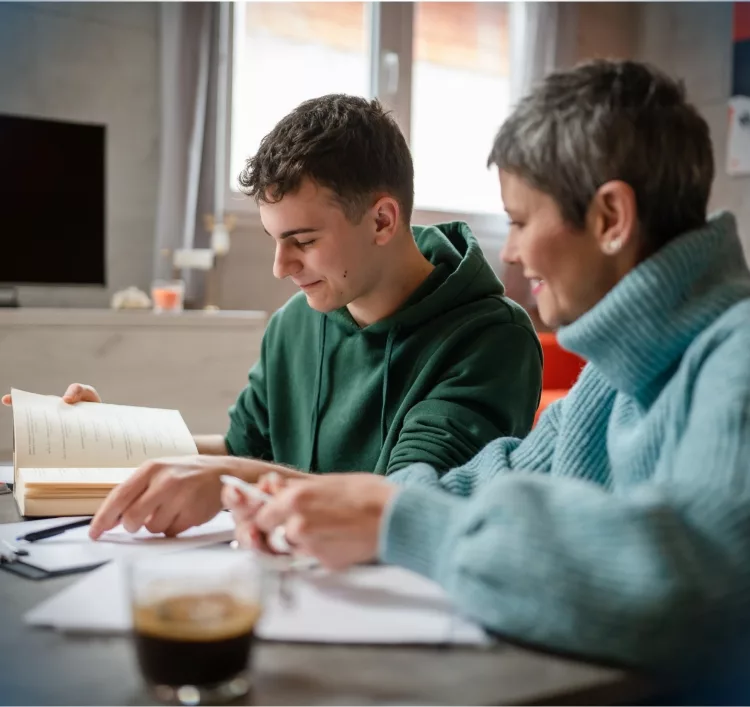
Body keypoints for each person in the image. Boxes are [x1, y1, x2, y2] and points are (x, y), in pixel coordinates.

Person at [225, 61, 750, 676]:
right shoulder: (611, 374)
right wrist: (361, 505)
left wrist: (396, 519)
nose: (511, 250)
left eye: (522, 221)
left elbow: (689, 593)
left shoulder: (736, 352)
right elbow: (490, 478)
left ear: (610, 218)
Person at [3, 95, 542, 539]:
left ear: (381, 219)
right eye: (274, 240)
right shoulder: (294, 322)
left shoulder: (491, 338)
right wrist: (117, 437)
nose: (281, 267)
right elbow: (242, 451)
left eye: (302, 241)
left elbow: (403, 506)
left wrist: (232, 479)